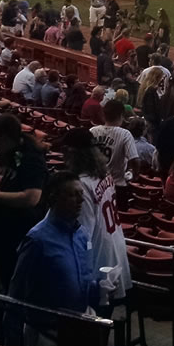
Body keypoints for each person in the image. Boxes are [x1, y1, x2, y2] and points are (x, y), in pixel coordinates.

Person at [7, 172, 102, 346]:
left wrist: (99, 290)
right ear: (53, 198)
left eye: (81, 195)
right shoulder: (37, 240)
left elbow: (84, 278)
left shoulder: (81, 234)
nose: (80, 201)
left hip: (82, 324)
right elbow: (16, 292)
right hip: (49, 332)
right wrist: (12, 343)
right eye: (72, 195)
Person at [0, 115, 49, 287]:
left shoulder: (31, 159)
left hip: (18, 233)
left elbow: (32, 197)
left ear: (4, 137)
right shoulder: (4, 155)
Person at [63, 128, 131, 300]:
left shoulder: (81, 184)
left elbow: (83, 232)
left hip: (97, 257)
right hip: (114, 244)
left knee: (93, 319)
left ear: (72, 153)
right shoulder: (104, 174)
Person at [91, 99, 139, 205]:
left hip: (95, 183)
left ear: (104, 114)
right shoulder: (125, 134)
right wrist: (135, 175)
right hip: (117, 185)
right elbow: (134, 160)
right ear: (121, 115)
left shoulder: (92, 131)